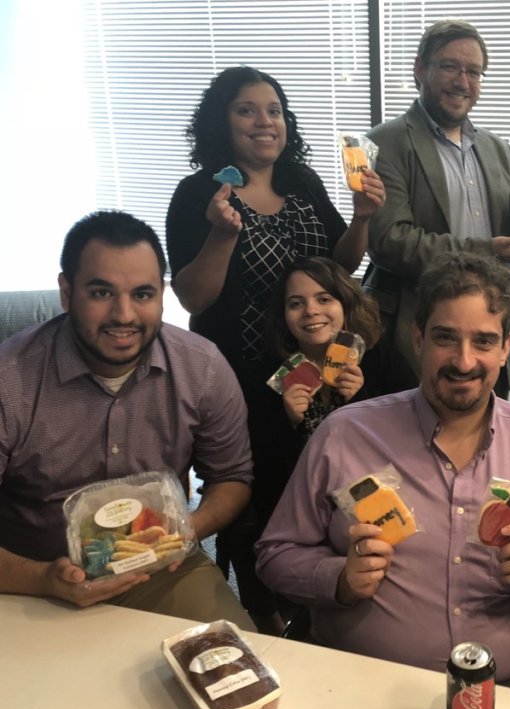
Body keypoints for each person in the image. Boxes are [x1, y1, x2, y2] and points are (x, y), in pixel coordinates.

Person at [255, 252, 510, 695]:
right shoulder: (344, 435)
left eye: (483, 342)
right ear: (419, 339)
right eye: (446, 338)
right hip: (358, 680)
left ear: (506, 347)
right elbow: (275, 554)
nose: (463, 362)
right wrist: (339, 580)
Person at [165, 66, 385, 631]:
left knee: (319, 479)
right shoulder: (199, 194)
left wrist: (361, 218)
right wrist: (221, 233)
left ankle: (320, 595)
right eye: (246, 110)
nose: (265, 122)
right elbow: (192, 295)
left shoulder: (303, 181)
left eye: (274, 110)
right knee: (256, 494)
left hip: (315, 365)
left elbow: (338, 269)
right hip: (240, 376)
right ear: (222, 122)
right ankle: (266, 608)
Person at [0, 210, 255, 630]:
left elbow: (232, 478)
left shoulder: (202, 367)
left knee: (241, 670)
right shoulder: (11, 380)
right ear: (66, 292)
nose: (124, 315)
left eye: (142, 294)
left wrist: (184, 532)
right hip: (32, 575)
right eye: (101, 293)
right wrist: (43, 578)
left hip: (162, 570)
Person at [364, 19, 510, 399]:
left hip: (490, 326)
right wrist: (486, 250)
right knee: (412, 448)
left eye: (474, 72)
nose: (462, 81)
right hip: (417, 327)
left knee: (489, 445)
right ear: (421, 68)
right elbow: (389, 241)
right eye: (450, 67)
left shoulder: (498, 148)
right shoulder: (384, 143)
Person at [261, 255, 418, 516]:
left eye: (324, 299)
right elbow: (261, 462)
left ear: (345, 304)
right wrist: (286, 419)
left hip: (378, 504)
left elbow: (413, 437)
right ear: (284, 315)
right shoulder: (273, 373)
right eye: (296, 303)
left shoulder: (383, 362)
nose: (311, 310)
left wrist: (361, 400)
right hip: (300, 506)